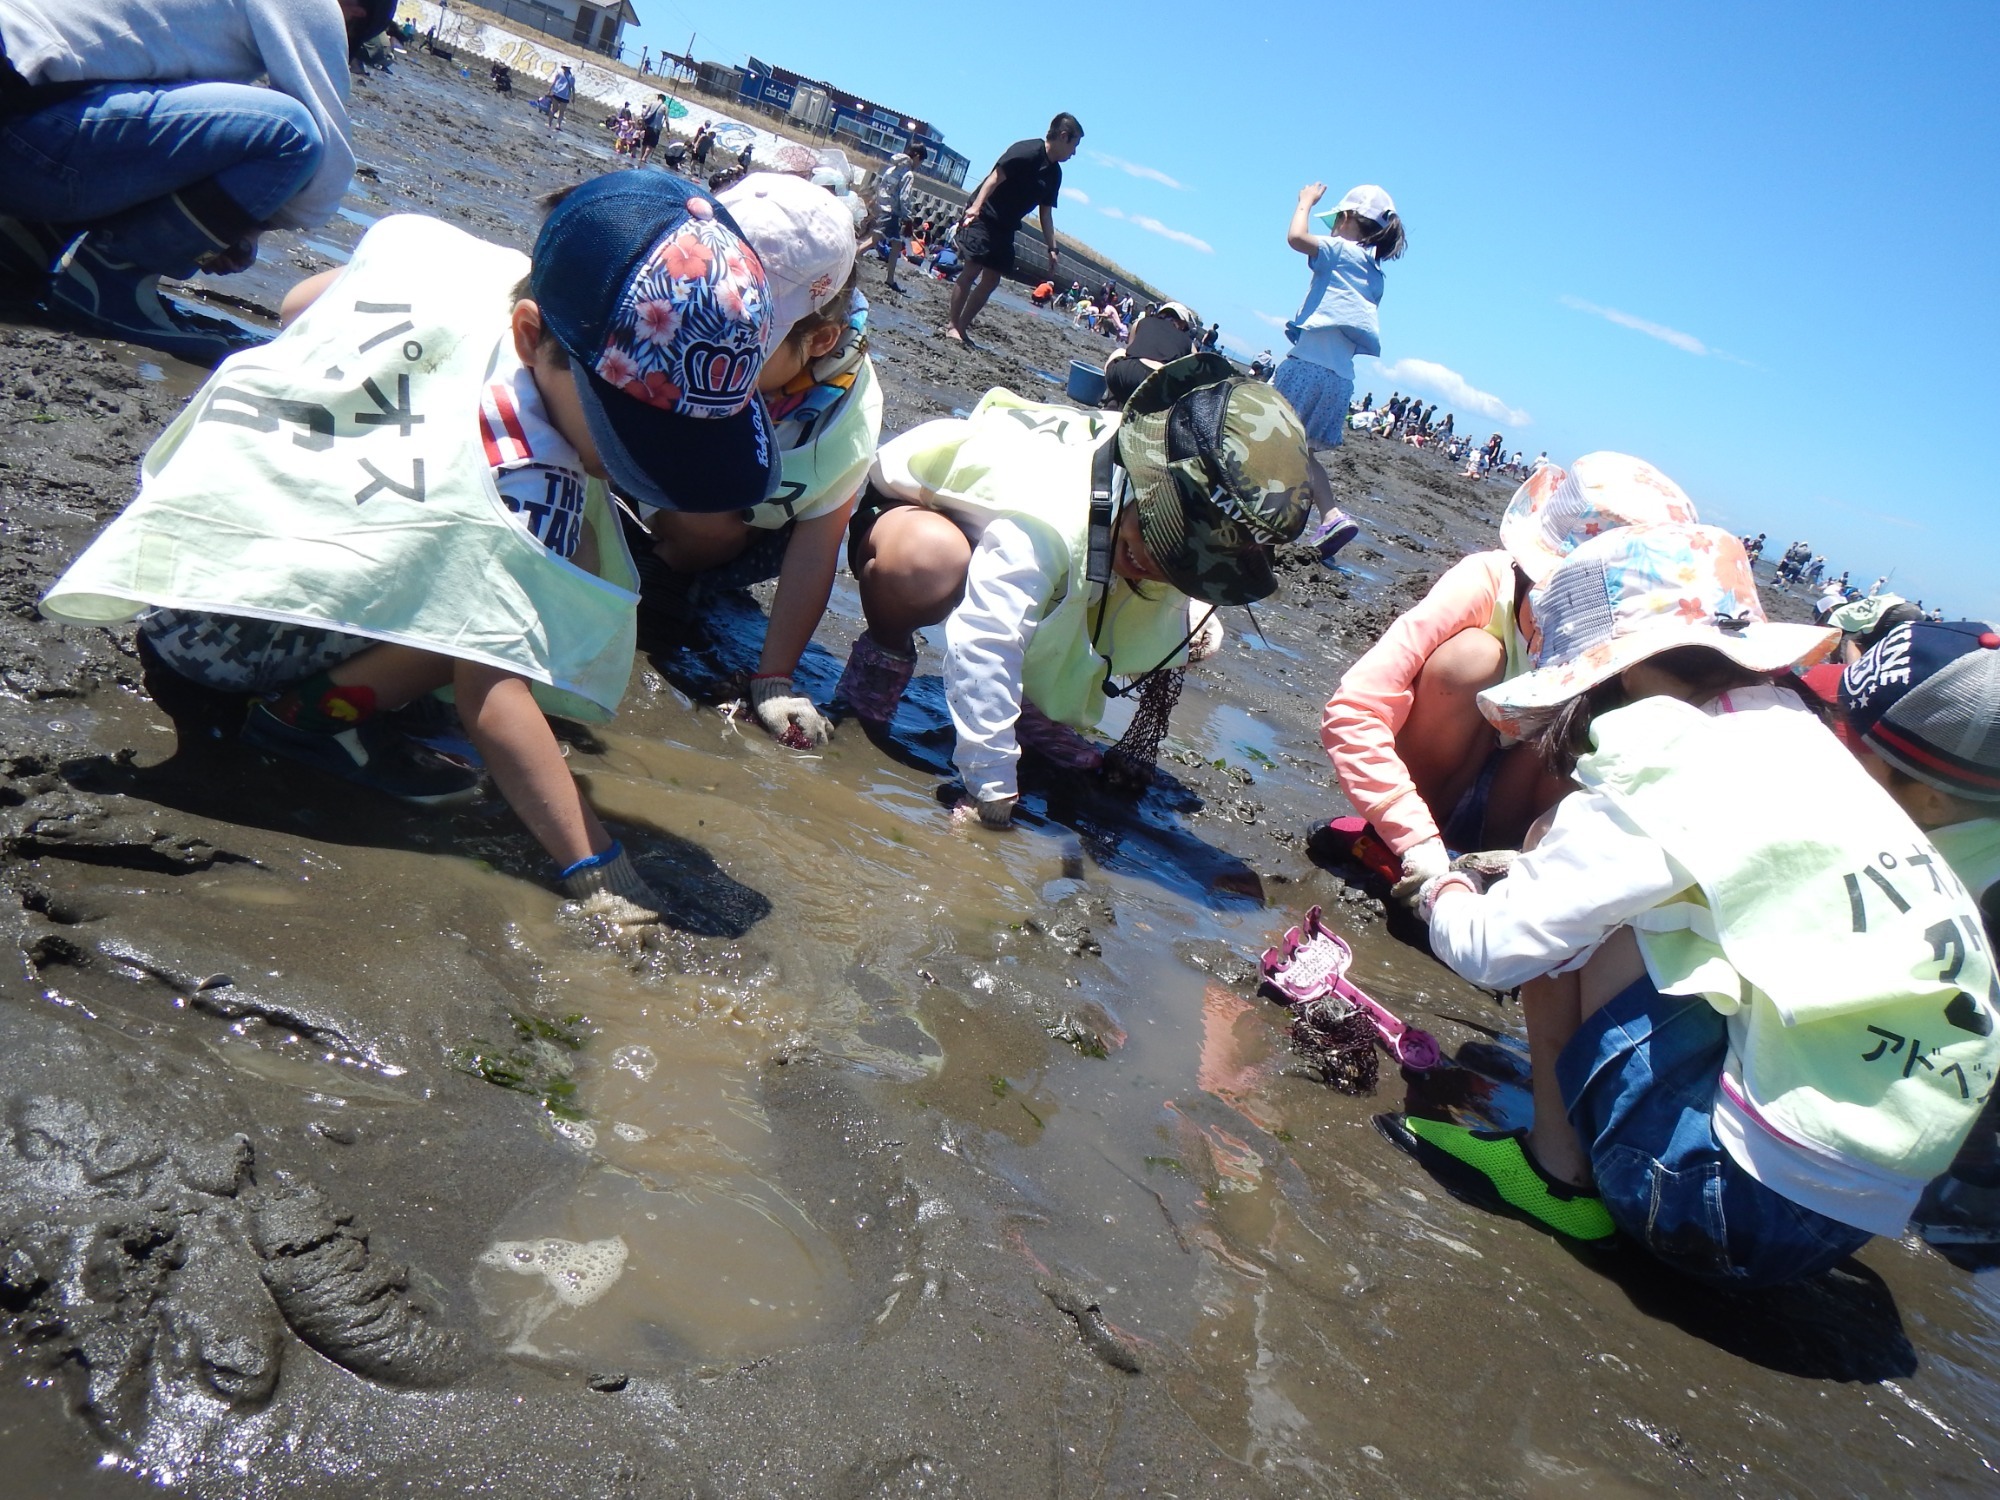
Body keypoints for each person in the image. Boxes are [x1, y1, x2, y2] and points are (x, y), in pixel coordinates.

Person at [41, 173, 776, 926]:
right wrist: (595, 865)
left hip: (201, 553)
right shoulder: (526, 484)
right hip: (227, 644)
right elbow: (492, 694)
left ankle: (350, 646)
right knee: (562, 571)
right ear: (529, 336)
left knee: (539, 550)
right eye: (626, 438)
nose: (636, 472)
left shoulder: (450, 262)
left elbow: (302, 305)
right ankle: (306, 720)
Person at [1390, 522, 2000, 1286]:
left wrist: (1440, 880)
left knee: (1560, 868)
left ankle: (1556, 1176)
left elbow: (1491, 951)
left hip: (1702, 1202)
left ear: (1609, 671)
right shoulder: (1798, 738)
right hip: (1843, 1228)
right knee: (1661, 897)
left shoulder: (1666, 756)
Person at [835, 354, 1311, 823]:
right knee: (930, 562)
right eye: (1160, 537)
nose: (1155, 564)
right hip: (918, 518)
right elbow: (985, 641)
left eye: (1182, 565)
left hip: (1079, 538)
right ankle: (882, 659)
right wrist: (991, 782)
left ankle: (1030, 708)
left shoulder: (1169, 467)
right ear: (1146, 483)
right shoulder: (1051, 512)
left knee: (1191, 632)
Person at [1319, 454, 1698, 897]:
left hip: (1525, 820)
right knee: (1472, 657)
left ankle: (1504, 875)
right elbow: (1354, 708)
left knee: (1591, 718)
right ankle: (1412, 845)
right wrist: (1417, 840)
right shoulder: (1486, 582)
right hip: (1431, 794)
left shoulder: (1640, 649)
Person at [0, 0, 387, 364]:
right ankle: (112, 279)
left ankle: (30, 237)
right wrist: (240, 224)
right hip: (23, 134)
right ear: (354, 11)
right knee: (291, 131)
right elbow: (325, 183)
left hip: (21, 98)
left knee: (161, 102)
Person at [632, 172, 875, 749]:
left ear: (819, 341)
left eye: (748, 336)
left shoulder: (846, 419)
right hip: (632, 489)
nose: (718, 343)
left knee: (711, 529)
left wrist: (773, 679)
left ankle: (672, 573)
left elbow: (817, 550)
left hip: (732, 531)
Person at [1840, 622, 2000, 1246]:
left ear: (1930, 802)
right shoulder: (1965, 819)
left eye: (1854, 745)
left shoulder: (1969, 884)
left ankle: (1960, 1201)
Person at [1271, 182, 1405, 452]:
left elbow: (1296, 237)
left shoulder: (1340, 250)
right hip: (1340, 383)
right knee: (1304, 456)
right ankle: (1324, 498)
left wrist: (1306, 201)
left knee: (1267, 441)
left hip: (1306, 369)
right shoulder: (1375, 275)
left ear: (1344, 218)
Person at [946, 112, 1082, 345]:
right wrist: (975, 208)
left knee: (991, 280)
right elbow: (994, 178)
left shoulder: (1054, 174)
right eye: (1074, 145)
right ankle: (952, 326)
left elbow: (1046, 213)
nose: (1074, 153)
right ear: (1063, 136)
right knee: (972, 269)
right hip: (984, 214)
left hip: (1006, 225)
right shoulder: (1026, 151)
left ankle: (962, 327)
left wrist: (1052, 248)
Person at [1101, 300, 1195, 406]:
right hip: (1157, 385)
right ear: (1182, 324)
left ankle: (1112, 402)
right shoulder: (1187, 342)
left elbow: (1129, 352)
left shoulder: (1142, 322)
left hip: (1128, 372)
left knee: (1119, 352)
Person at [867, 139, 927, 293]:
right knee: (873, 241)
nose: (919, 165)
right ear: (917, 157)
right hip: (892, 213)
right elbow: (904, 198)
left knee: (896, 245)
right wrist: (907, 219)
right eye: (920, 161)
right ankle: (848, 262)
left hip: (883, 208)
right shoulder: (908, 174)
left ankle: (890, 279)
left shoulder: (891, 169)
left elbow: (882, 188)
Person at [637, 92, 666, 167]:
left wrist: (642, 124)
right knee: (651, 145)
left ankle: (640, 157)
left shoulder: (652, 103)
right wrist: (668, 131)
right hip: (656, 128)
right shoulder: (664, 107)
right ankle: (644, 158)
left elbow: (644, 114)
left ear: (658, 98)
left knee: (645, 142)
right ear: (663, 100)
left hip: (648, 126)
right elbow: (667, 120)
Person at [546, 63, 574, 132]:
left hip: (557, 93)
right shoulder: (571, 77)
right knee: (561, 112)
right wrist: (573, 97)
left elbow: (554, 82)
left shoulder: (559, 73)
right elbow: (572, 88)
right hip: (565, 96)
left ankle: (550, 124)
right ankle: (558, 125)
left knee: (554, 110)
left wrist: (549, 90)